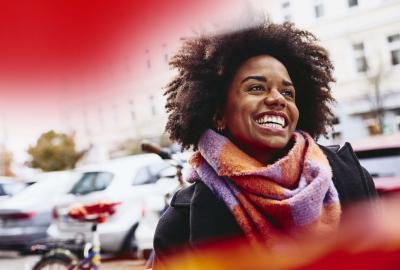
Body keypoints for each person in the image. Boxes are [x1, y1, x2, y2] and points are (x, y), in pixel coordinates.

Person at [152, 21, 377, 268]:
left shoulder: (350, 179)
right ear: (218, 114)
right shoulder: (181, 224)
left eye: (288, 93)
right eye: (256, 88)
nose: (277, 99)